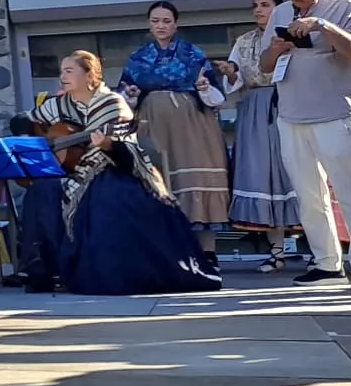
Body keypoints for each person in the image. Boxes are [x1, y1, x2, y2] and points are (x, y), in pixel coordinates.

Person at [38, 52, 221, 296]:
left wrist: (108, 145)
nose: (62, 76)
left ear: (90, 75)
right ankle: (42, 271)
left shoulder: (112, 103)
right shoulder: (58, 105)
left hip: (118, 169)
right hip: (74, 173)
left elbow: (126, 152)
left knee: (111, 199)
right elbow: (22, 121)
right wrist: (42, 136)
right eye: (62, 71)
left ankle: (106, 272)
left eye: (69, 71)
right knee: (40, 191)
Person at [263, 0, 351, 290]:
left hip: (335, 114)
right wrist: (277, 48)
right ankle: (327, 263)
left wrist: (323, 26)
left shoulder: (345, 7)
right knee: (308, 195)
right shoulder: (282, 12)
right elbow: (266, 63)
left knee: (349, 191)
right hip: (291, 116)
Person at [119, 1, 228, 270]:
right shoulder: (138, 57)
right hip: (153, 125)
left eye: (166, 21)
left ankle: (208, 253)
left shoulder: (193, 54)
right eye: (155, 21)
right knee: (161, 183)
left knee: (197, 182)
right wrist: (130, 96)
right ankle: (169, 251)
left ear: (175, 24)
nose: (161, 26)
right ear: (149, 24)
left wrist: (203, 87)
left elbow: (216, 98)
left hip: (194, 126)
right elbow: (123, 97)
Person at [223, 0, 300, 268]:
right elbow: (237, 79)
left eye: (265, 5)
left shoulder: (292, 34)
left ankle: (321, 250)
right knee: (263, 176)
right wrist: (231, 74)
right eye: (255, 6)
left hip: (289, 101)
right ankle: (277, 252)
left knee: (295, 173)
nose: (258, 10)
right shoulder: (243, 42)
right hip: (255, 108)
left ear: (279, 9)